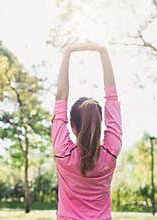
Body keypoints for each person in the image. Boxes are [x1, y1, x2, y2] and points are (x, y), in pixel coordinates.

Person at [51, 40, 122, 220]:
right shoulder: (110, 152)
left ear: (72, 126)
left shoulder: (63, 152)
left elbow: (61, 96)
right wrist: (102, 51)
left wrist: (67, 52)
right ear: (99, 125)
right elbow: (112, 97)